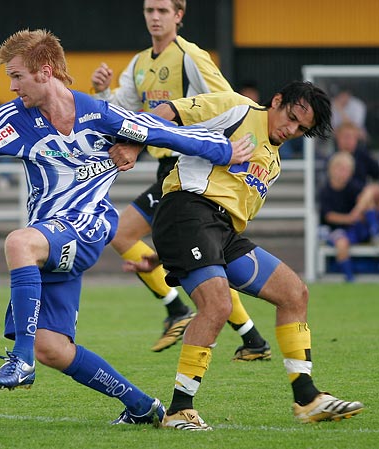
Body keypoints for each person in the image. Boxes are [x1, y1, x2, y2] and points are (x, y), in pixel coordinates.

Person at [0, 29, 255, 426]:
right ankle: (142, 406)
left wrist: (225, 150)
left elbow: (163, 133)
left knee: (19, 243)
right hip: (50, 234)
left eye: (17, 76)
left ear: (45, 71)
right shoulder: (14, 119)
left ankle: (20, 361)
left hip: (87, 227)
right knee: (52, 348)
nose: (12, 86)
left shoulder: (99, 115)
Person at [119, 82, 363, 429]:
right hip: (186, 209)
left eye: (301, 129)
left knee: (295, 293)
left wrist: (164, 256)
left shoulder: (273, 162)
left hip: (220, 232)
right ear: (276, 100)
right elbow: (169, 112)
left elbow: (225, 224)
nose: (291, 130)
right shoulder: (236, 108)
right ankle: (179, 409)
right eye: (291, 117)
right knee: (217, 305)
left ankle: (307, 398)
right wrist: (132, 143)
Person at [90, 0, 270, 359]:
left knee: (122, 232)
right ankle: (252, 338)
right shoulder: (140, 64)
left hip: (188, 164)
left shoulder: (190, 55)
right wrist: (102, 93)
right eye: (149, 10)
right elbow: (126, 111)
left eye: (162, 11)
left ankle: (176, 310)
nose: (155, 17)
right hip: (165, 166)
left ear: (179, 16)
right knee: (205, 259)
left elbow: (228, 99)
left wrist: (229, 143)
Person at [320, 152, 379, 282]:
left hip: (356, 228)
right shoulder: (326, 191)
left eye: (347, 170)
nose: (344, 173)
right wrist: (350, 218)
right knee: (342, 243)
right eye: (341, 169)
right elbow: (329, 216)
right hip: (336, 229)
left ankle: (375, 231)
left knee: (369, 194)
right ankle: (349, 277)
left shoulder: (353, 186)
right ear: (332, 169)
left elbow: (367, 197)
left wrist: (356, 214)